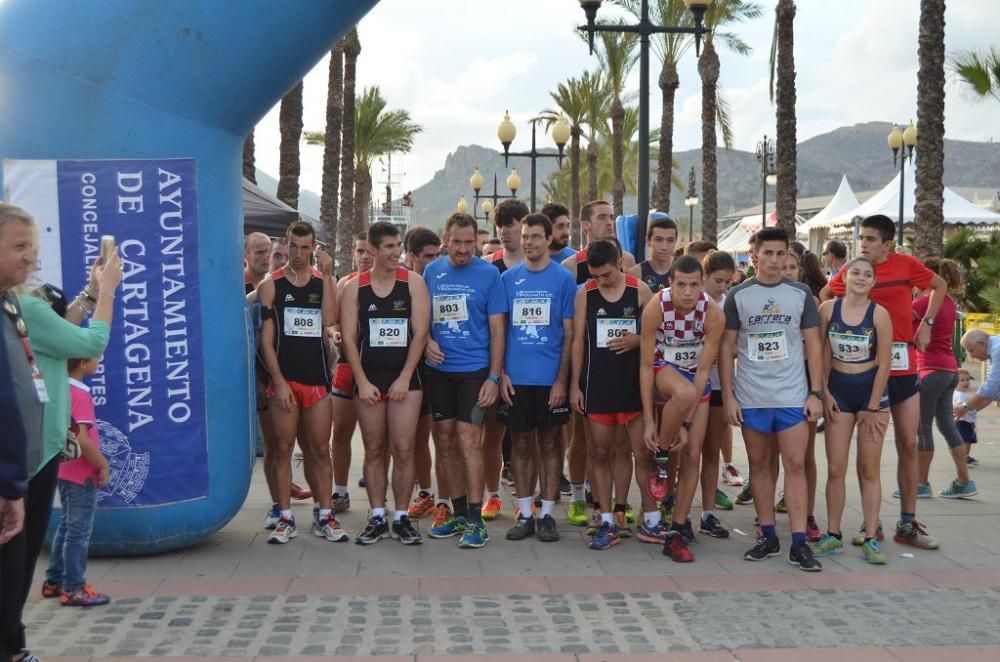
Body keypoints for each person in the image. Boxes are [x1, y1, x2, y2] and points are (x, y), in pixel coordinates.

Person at [821, 214, 947, 549]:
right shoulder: (853, 271)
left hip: (902, 367)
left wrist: (927, 323)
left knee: (908, 441)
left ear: (887, 244)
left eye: (871, 239)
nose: (863, 244)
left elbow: (940, 286)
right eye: (861, 238)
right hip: (862, 370)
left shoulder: (906, 265)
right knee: (867, 453)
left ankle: (907, 523)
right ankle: (870, 523)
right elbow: (825, 297)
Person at [720, 227, 825, 572]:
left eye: (781, 254)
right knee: (760, 466)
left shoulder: (801, 294)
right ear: (755, 255)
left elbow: (813, 345)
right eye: (769, 253)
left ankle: (798, 541)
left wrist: (816, 392)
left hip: (792, 395)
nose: (775, 260)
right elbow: (726, 348)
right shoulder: (738, 295)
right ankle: (767, 534)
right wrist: (730, 396)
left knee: (795, 465)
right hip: (752, 397)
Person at [340, 222, 430, 545]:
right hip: (369, 380)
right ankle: (377, 515)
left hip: (407, 378)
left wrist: (405, 376)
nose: (397, 253)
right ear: (373, 250)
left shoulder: (414, 283)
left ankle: (402, 516)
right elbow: (348, 340)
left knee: (404, 448)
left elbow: (420, 334)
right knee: (375, 448)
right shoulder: (354, 288)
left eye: (398, 246)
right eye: (389, 247)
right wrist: (361, 382)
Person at [424, 213, 505, 549]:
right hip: (439, 371)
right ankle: (457, 512)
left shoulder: (488, 274)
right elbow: (422, 316)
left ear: (476, 241)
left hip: (474, 370)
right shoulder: (432, 271)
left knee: (468, 440)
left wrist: (494, 377)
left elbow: (498, 329)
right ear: (446, 239)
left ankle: (475, 519)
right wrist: (426, 339)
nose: (462, 249)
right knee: (443, 440)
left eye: (469, 243)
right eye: (456, 242)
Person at [257, 221, 340, 544]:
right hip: (285, 382)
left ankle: (325, 515)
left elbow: (330, 319)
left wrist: (330, 275)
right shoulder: (271, 284)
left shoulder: (321, 282)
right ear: (286, 245)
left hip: (317, 382)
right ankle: (285, 517)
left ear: (313, 248)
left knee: (320, 450)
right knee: (281, 449)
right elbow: (266, 341)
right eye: (294, 246)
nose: (299, 253)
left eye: (306, 247)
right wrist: (279, 382)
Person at [570, 240, 655, 549]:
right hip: (598, 383)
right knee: (600, 452)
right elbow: (577, 341)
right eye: (595, 275)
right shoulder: (586, 293)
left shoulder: (640, 291)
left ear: (620, 262)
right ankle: (604, 518)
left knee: (637, 451)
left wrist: (637, 340)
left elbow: (657, 333)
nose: (600, 280)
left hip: (632, 384)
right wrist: (574, 386)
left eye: (606, 274)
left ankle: (629, 511)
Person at [641, 256, 724, 562]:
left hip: (693, 380)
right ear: (670, 284)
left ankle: (675, 531)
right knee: (684, 392)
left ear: (702, 285)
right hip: (663, 370)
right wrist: (650, 420)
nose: (687, 292)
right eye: (681, 285)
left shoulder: (713, 314)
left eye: (693, 285)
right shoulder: (656, 307)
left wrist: (687, 426)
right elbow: (645, 365)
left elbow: (703, 373)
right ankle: (661, 455)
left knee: (692, 455)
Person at [812, 256, 892, 564]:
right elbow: (818, 355)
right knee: (836, 468)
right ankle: (833, 534)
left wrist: (872, 406)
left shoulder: (879, 314)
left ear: (873, 281)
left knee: (869, 469)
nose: (860, 277)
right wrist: (824, 392)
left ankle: (871, 537)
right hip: (838, 393)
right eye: (855, 272)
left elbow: (885, 363)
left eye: (867, 274)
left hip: (871, 393)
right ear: (843, 277)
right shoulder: (828, 309)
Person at [500, 214, 575, 543]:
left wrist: (561, 381)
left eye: (534, 236)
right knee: (520, 444)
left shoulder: (563, 279)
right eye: (525, 236)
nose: (528, 242)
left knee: (549, 444)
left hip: (550, 381)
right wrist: (500, 372)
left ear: (548, 240)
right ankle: (525, 512)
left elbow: (570, 336)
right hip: (516, 380)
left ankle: (547, 514)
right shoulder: (508, 279)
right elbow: (500, 330)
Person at [1, 204, 45, 662]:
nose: (29, 258)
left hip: (17, 477)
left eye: (31, 247)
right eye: (18, 247)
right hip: (4, 482)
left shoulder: (10, 300)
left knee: (12, 581)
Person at [42, 356, 112, 605]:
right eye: (95, 357)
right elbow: (81, 438)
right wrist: (102, 463)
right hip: (82, 473)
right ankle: (73, 587)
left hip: (64, 470)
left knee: (67, 526)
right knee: (79, 532)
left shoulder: (61, 389)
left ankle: (54, 580)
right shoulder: (80, 395)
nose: (99, 361)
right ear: (82, 364)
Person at [913, 258, 976, 499]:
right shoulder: (948, 302)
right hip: (950, 370)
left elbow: (896, 322)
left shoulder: (924, 303)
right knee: (947, 425)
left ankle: (921, 484)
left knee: (923, 429)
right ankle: (964, 480)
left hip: (929, 371)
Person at [401, 227, 447, 521]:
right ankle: (426, 493)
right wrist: (424, 339)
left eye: (437, 255)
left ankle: (445, 500)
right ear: (412, 256)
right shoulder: (403, 283)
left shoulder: (445, 278)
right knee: (416, 438)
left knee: (443, 437)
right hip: (412, 369)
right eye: (428, 256)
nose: (434, 261)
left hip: (442, 368)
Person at [328, 234, 375, 514]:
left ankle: (375, 493)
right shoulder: (345, 284)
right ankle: (340, 492)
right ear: (353, 253)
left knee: (376, 437)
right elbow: (330, 322)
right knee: (341, 433)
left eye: (370, 251)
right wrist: (334, 334)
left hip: (378, 368)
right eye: (360, 251)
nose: (365, 256)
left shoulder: (393, 284)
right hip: (346, 366)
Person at [701, 251, 742, 521]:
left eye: (728, 282)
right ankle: (670, 500)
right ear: (704, 276)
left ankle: (708, 507)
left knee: (711, 448)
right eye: (718, 281)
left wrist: (724, 353)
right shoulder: (695, 301)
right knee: (684, 451)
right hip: (688, 384)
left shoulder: (730, 303)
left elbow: (738, 346)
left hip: (717, 385)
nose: (723, 287)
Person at [563, 200, 636, 284]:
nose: (609, 222)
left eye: (611, 218)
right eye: (602, 217)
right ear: (586, 225)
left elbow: (634, 294)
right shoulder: (571, 265)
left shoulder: (627, 259)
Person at [956, 329, 999, 442]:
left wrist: (965, 406)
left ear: (982, 343)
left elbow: (992, 386)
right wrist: (969, 409)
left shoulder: (997, 349)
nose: (971, 355)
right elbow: (994, 393)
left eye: (971, 350)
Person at [628, 215, 677, 292]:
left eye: (670, 240)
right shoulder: (635, 274)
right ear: (648, 241)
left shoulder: (682, 273)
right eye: (659, 240)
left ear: (675, 242)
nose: (664, 247)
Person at [953, 369, 978, 466]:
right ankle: (964, 458)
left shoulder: (963, 394)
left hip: (968, 421)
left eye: (967, 380)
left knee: (969, 440)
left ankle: (966, 455)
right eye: (962, 380)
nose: (966, 382)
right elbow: (959, 408)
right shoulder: (960, 395)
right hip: (963, 422)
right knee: (965, 440)